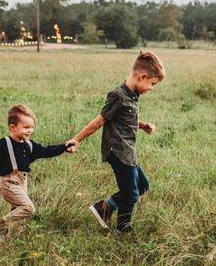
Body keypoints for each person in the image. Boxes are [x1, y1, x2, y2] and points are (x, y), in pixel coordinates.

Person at [67, 51, 165, 235]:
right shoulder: (118, 95)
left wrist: (142, 125)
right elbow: (100, 120)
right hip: (118, 152)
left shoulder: (133, 95)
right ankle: (122, 228)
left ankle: (105, 207)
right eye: (152, 83)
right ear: (142, 76)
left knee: (142, 185)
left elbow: (126, 118)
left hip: (129, 152)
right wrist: (76, 139)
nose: (152, 88)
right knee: (131, 193)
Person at [0, 104, 74, 240]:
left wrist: (64, 147)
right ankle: (0, 224)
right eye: (26, 127)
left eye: (31, 127)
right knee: (28, 208)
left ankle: (11, 239)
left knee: (18, 213)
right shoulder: (5, 143)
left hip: (22, 182)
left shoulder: (29, 145)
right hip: (9, 182)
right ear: (12, 127)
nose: (30, 130)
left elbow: (47, 151)